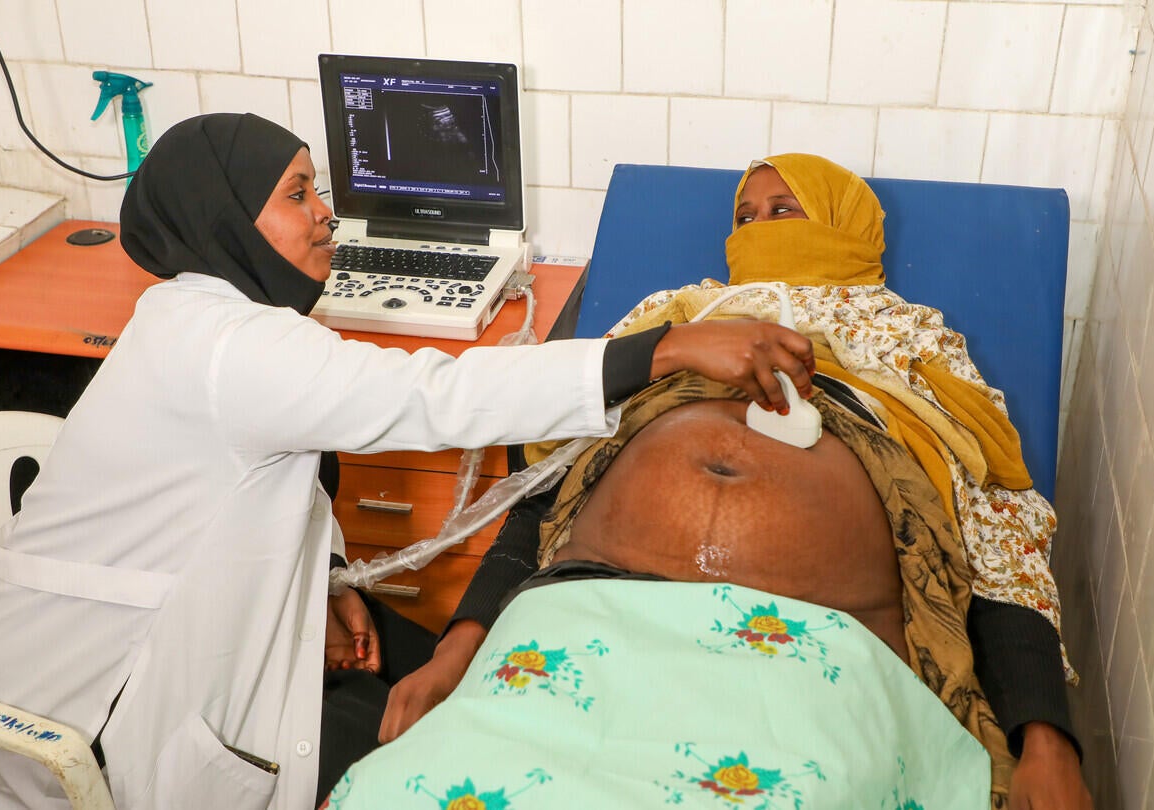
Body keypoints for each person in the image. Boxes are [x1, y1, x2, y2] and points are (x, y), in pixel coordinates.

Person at [0, 114, 820, 810]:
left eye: (318, 188)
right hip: (87, 709)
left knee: (446, 679)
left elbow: (244, 485)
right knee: (442, 757)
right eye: (298, 194)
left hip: (168, 632)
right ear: (227, 218)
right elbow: (432, 398)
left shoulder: (216, 323)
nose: (326, 212)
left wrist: (327, 579)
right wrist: (664, 351)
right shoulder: (224, 345)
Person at [374, 154, 1092, 809]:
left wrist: (1045, 740)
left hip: (820, 645)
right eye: (744, 216)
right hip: (594, 610)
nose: (759, 228)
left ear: (848, 227)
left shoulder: (914, 340)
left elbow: (1003, 547)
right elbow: (545, 495)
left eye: (785, 210)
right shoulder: (677, 315)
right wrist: (454, 653)